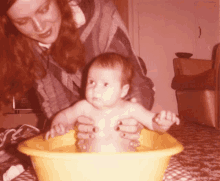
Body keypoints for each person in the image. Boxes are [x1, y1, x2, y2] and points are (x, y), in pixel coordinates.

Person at [0, 0, 155, 146]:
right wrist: (65, 127)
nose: (39, 27)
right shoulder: (25, 45)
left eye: (44, 9)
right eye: (22, 22)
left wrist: (133, 122)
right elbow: (53, 108)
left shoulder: (102, 17)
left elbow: (136, 83)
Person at [47, 53, 180, 152]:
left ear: (123, 91)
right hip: (88, 164)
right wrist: (58, 125)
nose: (95, 89)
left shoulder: (131, 109)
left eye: (105, 84)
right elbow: (64, 116)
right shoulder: (84, 107)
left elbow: (152, 122)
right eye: (91, 82)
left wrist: (162, 122)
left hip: (123, 164)